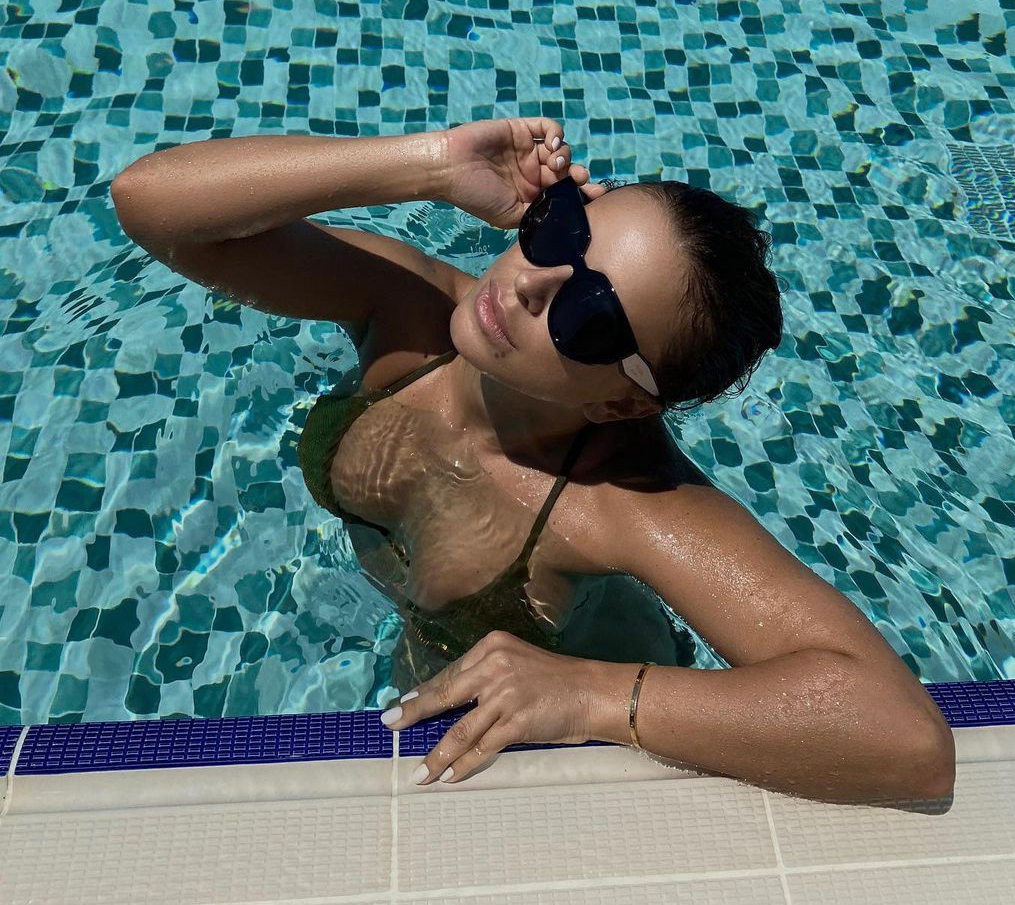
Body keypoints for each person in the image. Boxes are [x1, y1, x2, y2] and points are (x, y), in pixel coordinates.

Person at [111, 118, 956, 808]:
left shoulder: (624, 503)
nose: (528, 284)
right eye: (563, 230)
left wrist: (592, 694)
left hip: (586, 701)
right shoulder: (408, 316)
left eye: (589, 315)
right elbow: (150, 204)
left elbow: (906, 740)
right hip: (431, 657)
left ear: (623, 404)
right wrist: (428, 166)